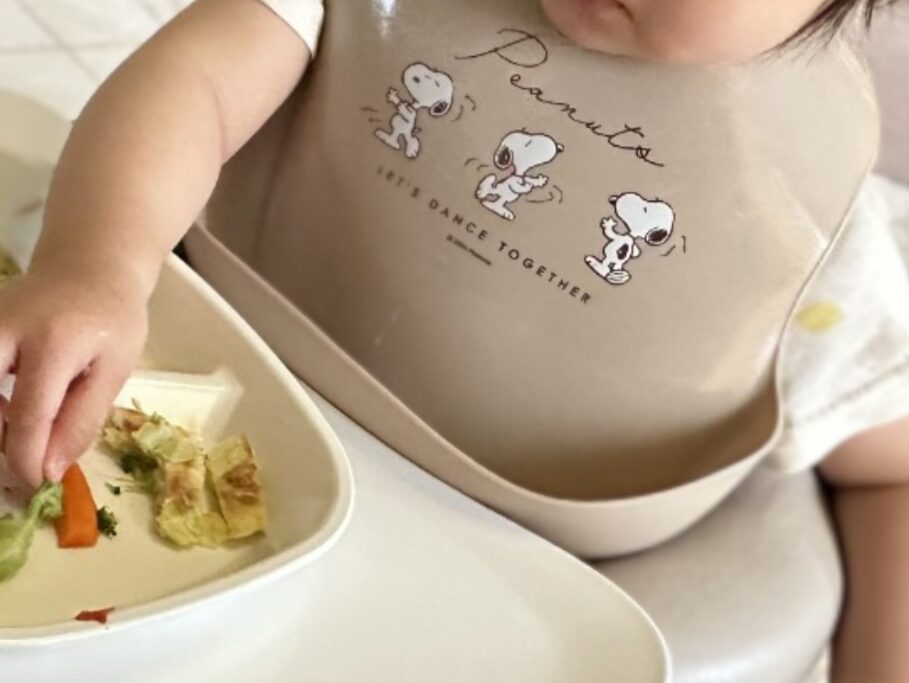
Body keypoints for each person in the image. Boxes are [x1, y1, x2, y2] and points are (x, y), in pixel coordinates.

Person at [0, 0, 904, 678]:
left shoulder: (802, 237)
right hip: (237, 398)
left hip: (508, 557)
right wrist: (97, 263)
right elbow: (196, 78)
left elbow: (890, 471)